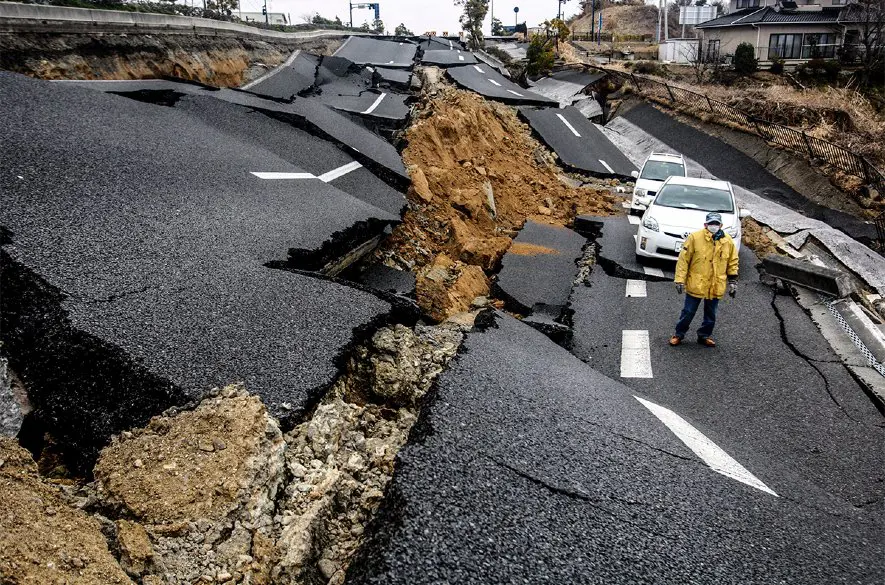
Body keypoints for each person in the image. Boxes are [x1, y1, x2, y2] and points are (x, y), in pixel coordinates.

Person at [669, 212, 739, 348]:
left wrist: (733, 281)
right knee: (688, 311)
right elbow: (684, 260)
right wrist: (679, 280)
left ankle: (704, 335)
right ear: (705, 225)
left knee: (711, 314)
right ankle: (678, 334)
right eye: (711, 224)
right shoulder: (694, 238)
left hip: (715, 284)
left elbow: (732, 261)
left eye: (716, 224)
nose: (714, 226)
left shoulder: (728, 241)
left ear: (721, 225)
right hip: (697, 283)